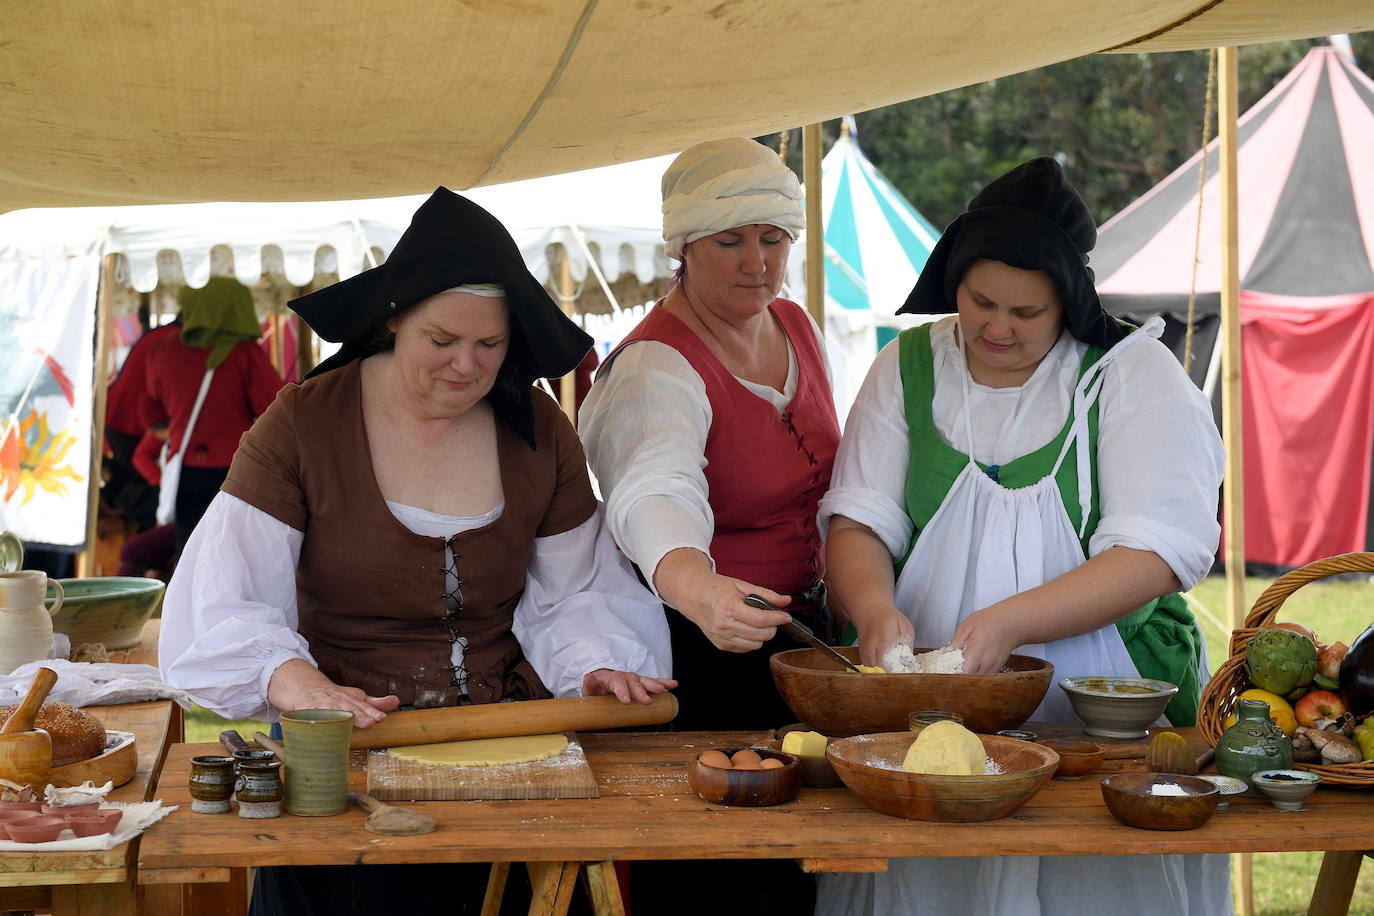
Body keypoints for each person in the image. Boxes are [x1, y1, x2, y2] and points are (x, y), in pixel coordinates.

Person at [158, 188, 675, 916]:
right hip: (348, 763)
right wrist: (293, 678)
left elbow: (576, 589)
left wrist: (595, 662)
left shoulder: (539, 431)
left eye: (489, 345)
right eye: (442, 341)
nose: (466, 366)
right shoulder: (304, 424)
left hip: (510, 753)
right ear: (395, 318)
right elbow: (222, 593)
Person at [817, 157, 1228, 915]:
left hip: (1104, 714)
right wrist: (873, 609)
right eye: (981, 302)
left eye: (1026, 313)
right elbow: (859, 521)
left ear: (1068, 301)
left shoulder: (1128, 374)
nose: (997, 328)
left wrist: (1010, 624)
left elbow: (1157, 555)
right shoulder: (907, 366)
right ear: (955, 280)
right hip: (928, 714)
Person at [578, 138, 840, 914]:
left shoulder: (794, 324)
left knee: (798, 860)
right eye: (730, 241)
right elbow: (651, 489)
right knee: (710, 872)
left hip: (798, 643)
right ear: (683, 247)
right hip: (694, 645)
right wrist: (698, 588)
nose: (756, 261)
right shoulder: (653, 366)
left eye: (773, 238)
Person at [140, 278, 283, 550]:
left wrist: (177, 427)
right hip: (236, 469)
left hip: (185, 470)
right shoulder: (245, 353)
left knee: (191, 553)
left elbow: (150, 411)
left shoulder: (162, 350)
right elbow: (274, 410)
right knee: (234, 553)